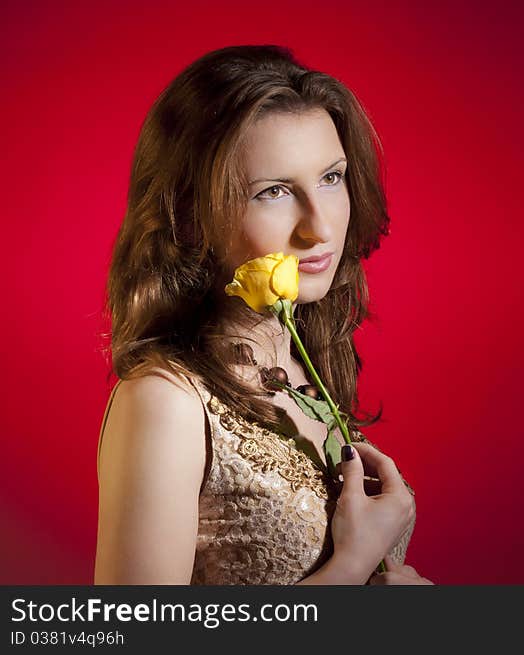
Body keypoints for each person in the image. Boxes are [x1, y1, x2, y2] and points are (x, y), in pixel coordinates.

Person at [94, 45, 433, 585]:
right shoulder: (166, 400)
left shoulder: (304, 365)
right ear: (190, 215)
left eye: (331, 177)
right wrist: (350, 567)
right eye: (273, 192)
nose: (319, 227)